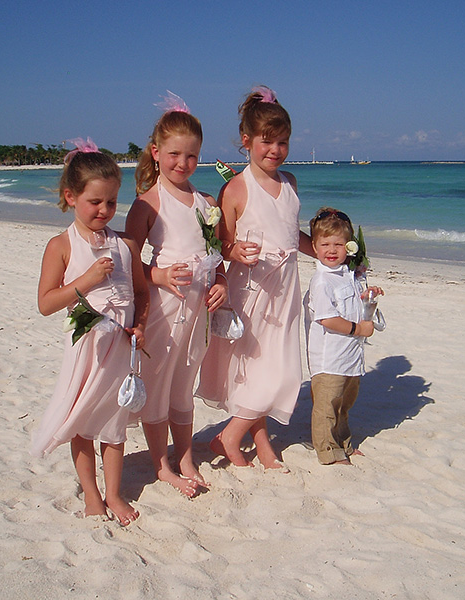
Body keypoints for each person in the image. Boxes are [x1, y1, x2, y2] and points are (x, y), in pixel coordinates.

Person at [31, 138, 149, 525]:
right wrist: (84, 280)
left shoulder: (125, 245)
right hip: (86, 349)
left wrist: (141, 325)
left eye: (112, 202)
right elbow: (47, 303)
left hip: (119, 349)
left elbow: (142, 292)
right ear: (71, 196)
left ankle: (114, 493)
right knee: (82, 421)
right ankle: (92, 495)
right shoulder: (61, 245)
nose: (104, 210)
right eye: (95, 202)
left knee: (114, 422)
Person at [197, 86, 314, 471]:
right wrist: (233, 252)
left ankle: (261, 444)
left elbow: (292, 233)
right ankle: (230, 437)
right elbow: (220, 243)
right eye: (267, 141)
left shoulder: (290, 183)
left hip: (285, 290)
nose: (275, 150)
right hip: (252, 290)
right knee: (268, 370)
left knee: (270, 368)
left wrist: (332, 256)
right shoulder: (236, 187)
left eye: (283, 142)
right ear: (247, 141)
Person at [125, 93, 228, 498]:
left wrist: (220, 282)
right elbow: (128, 260)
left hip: (198, 311)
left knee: (184, 383)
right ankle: (161, 463)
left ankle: (184, 456)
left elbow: (216, 256)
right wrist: (159, 273)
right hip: (164, 310)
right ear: (155, 153)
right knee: (159, 382)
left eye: (191, 156)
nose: (181, 164)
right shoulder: (148, 203)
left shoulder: (207, 203)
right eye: (173, 154)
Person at [304, 207, 383, 465]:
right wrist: (358, 329)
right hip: (330, 359)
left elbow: (355, 305)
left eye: (338, 244)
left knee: (343, 406)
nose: (331, 250)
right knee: (327, 407)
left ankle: (344, 443)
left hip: (351, 357)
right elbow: (327, 318)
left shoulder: (350, 276)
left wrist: (368, 296)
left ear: (348, 247)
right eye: (325, 244)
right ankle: (328, 451)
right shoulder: (322, 281)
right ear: (314, 247)